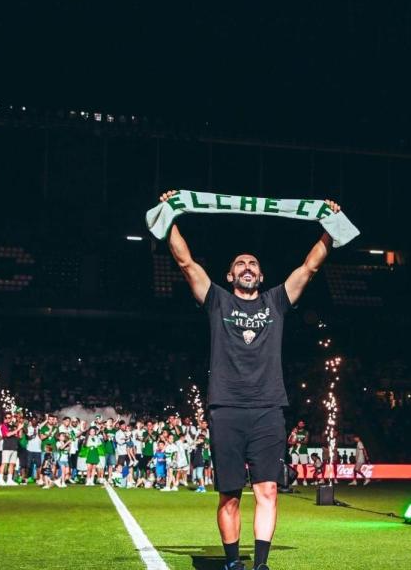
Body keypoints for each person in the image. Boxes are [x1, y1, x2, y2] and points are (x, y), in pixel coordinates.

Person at [160, 189, 342, 570]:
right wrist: (169, 214)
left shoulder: (276, 301)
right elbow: (186, 262)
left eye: (253, 263)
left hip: (268, 409)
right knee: (229, 494)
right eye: (240, 263)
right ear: (230, 275)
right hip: (225, 408)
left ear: (261, 274)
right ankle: (232, 562)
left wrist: (329, 229)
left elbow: (309, 267)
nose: (247, 266)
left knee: (268, 489)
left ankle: (260, 564)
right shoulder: (217, 301)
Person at [0, 413, 22, 485]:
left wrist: (20, 428)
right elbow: (7, 434)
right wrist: (18, 429)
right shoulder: (3, 426)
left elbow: (20, 436)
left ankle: (9, 479)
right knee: (4, 463)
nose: (8, 419)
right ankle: (0, 479)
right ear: (4, 419)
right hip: (7, 447)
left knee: (12, 464)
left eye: (10, 418)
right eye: (7, 418)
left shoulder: (14, 426)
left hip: (14, 447)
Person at [287, 421, 308, 486]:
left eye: (302, 423)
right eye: (299, 423)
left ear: (304, 425)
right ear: (298, 424)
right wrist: (294, 439)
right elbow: (290, 442)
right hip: (294, 450)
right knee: (294, 466)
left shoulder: (306, 432)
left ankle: (304, 480)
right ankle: (294, 480)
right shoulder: (294, 431)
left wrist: (297, 441)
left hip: (303, 450)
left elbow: (306, 441)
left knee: (304, 466)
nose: (300, 424)